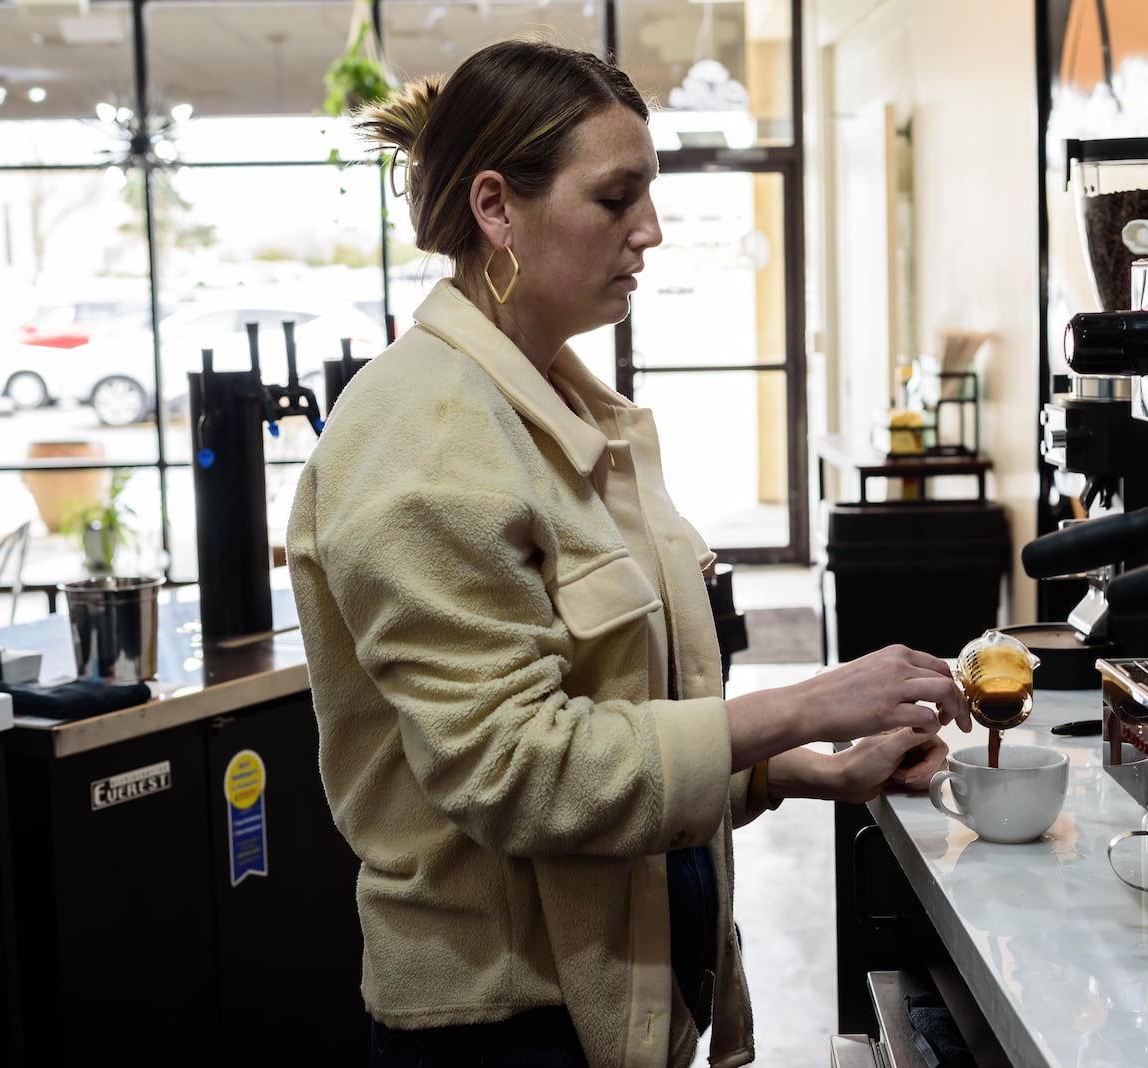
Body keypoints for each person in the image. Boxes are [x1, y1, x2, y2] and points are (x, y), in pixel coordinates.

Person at [287, 37, 970, 1068]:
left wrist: (802, 771)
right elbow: (517, 773)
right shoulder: (422, 437)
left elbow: (626, 727)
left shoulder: (563, 408)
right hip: (505, 1030)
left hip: (624, 994)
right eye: (616, 199)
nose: (648, 231)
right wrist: (806, 702)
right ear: (494, 208)